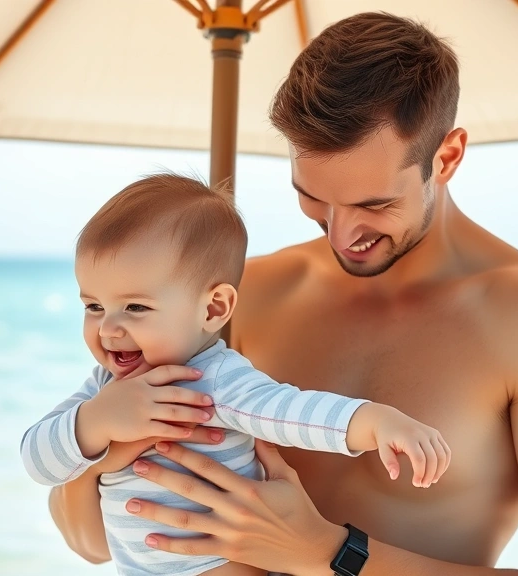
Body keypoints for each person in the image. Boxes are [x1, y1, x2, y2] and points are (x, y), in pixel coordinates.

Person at [49, 12, 518, 576]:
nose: (341, 234)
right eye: (314, 198)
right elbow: (90, 543)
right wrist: (107, 451)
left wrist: (331, 554)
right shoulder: (241, 293)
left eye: (374, 205)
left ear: (445, 158)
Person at [23, 174, 450, 576]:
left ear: (213, 309)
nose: (107, 328)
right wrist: (93, 422)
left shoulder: (213, 379)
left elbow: (292, 413)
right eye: (93, 306)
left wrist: (375, 422)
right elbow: (37, 459)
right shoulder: (103, 389)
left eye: (135, 307)